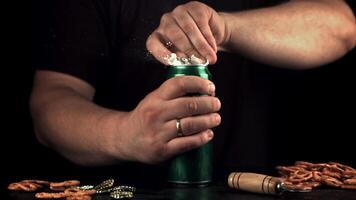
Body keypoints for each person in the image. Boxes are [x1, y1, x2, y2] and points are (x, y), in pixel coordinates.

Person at [31, 0, 355, 177]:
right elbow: (50, 103)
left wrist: (225, 28)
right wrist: (125, 133)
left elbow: (343, 27)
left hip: (260, 185)